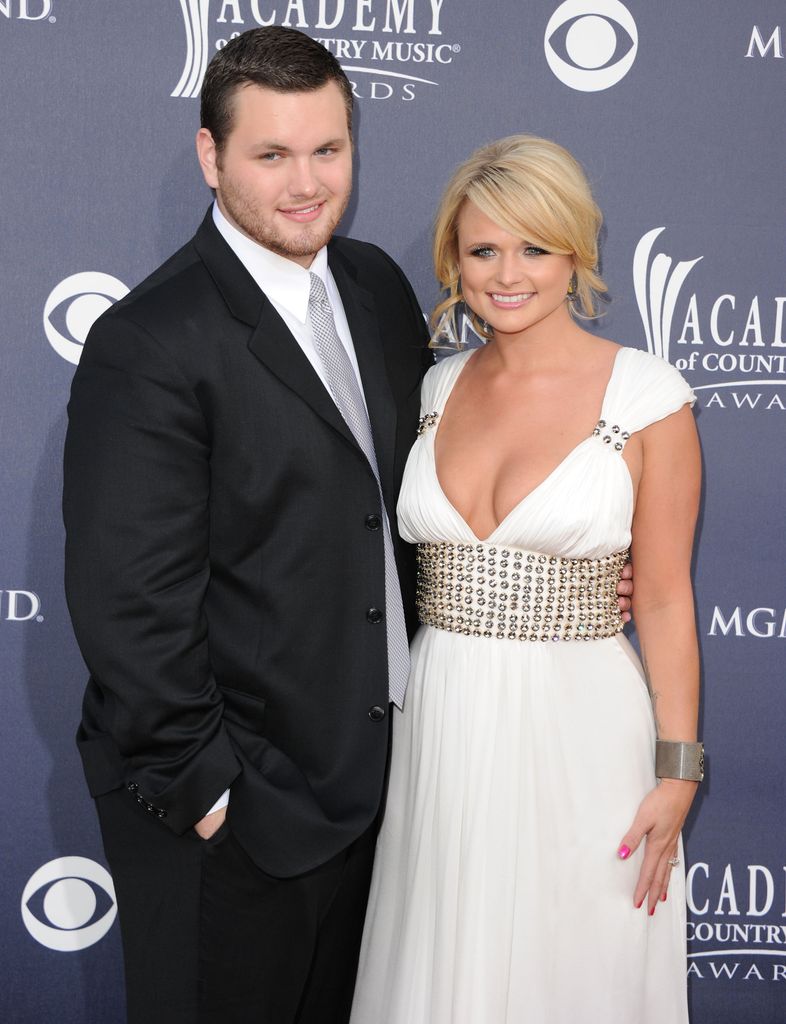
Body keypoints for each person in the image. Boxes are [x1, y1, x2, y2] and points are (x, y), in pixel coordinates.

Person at [62, 26, 432, 1024]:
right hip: (236, 814)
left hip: (368, 795)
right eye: (272, 154)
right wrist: (215, 793)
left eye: (329, 149)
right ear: (210, 156)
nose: (308, 183)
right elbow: (127, 599)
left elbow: (390, 513)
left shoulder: (376, 290)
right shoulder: (151, 339)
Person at [350, 135, 702, 1024]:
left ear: (575, 253)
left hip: (581, 731)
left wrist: (678, 772)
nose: (509, 273)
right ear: (453, 262)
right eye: (483, 250)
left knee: (572, 973)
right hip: (441, 718)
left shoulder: (648, 396)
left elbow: (662, 595)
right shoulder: (432, 389)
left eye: (535, 247)